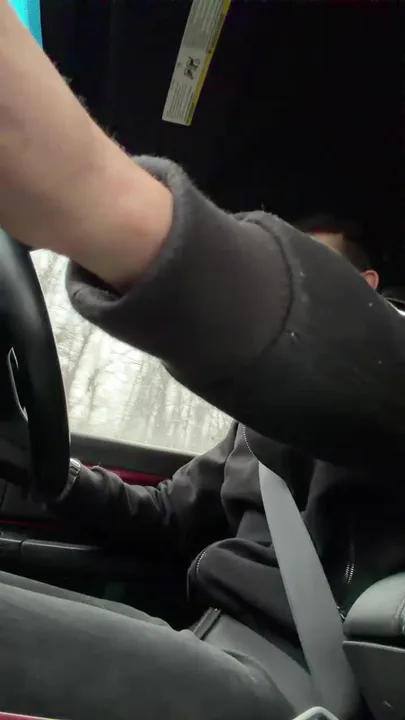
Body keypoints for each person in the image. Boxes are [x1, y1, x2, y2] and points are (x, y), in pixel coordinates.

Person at [0, 3, 405, 719]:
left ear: (364, 287)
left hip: (305, 682)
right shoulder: (253, 434)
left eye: (302, 266)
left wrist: (104, 202)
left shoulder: (383, 366)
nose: (282, 271)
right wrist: (56, 476)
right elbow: (166, 516)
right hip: (206, 639)